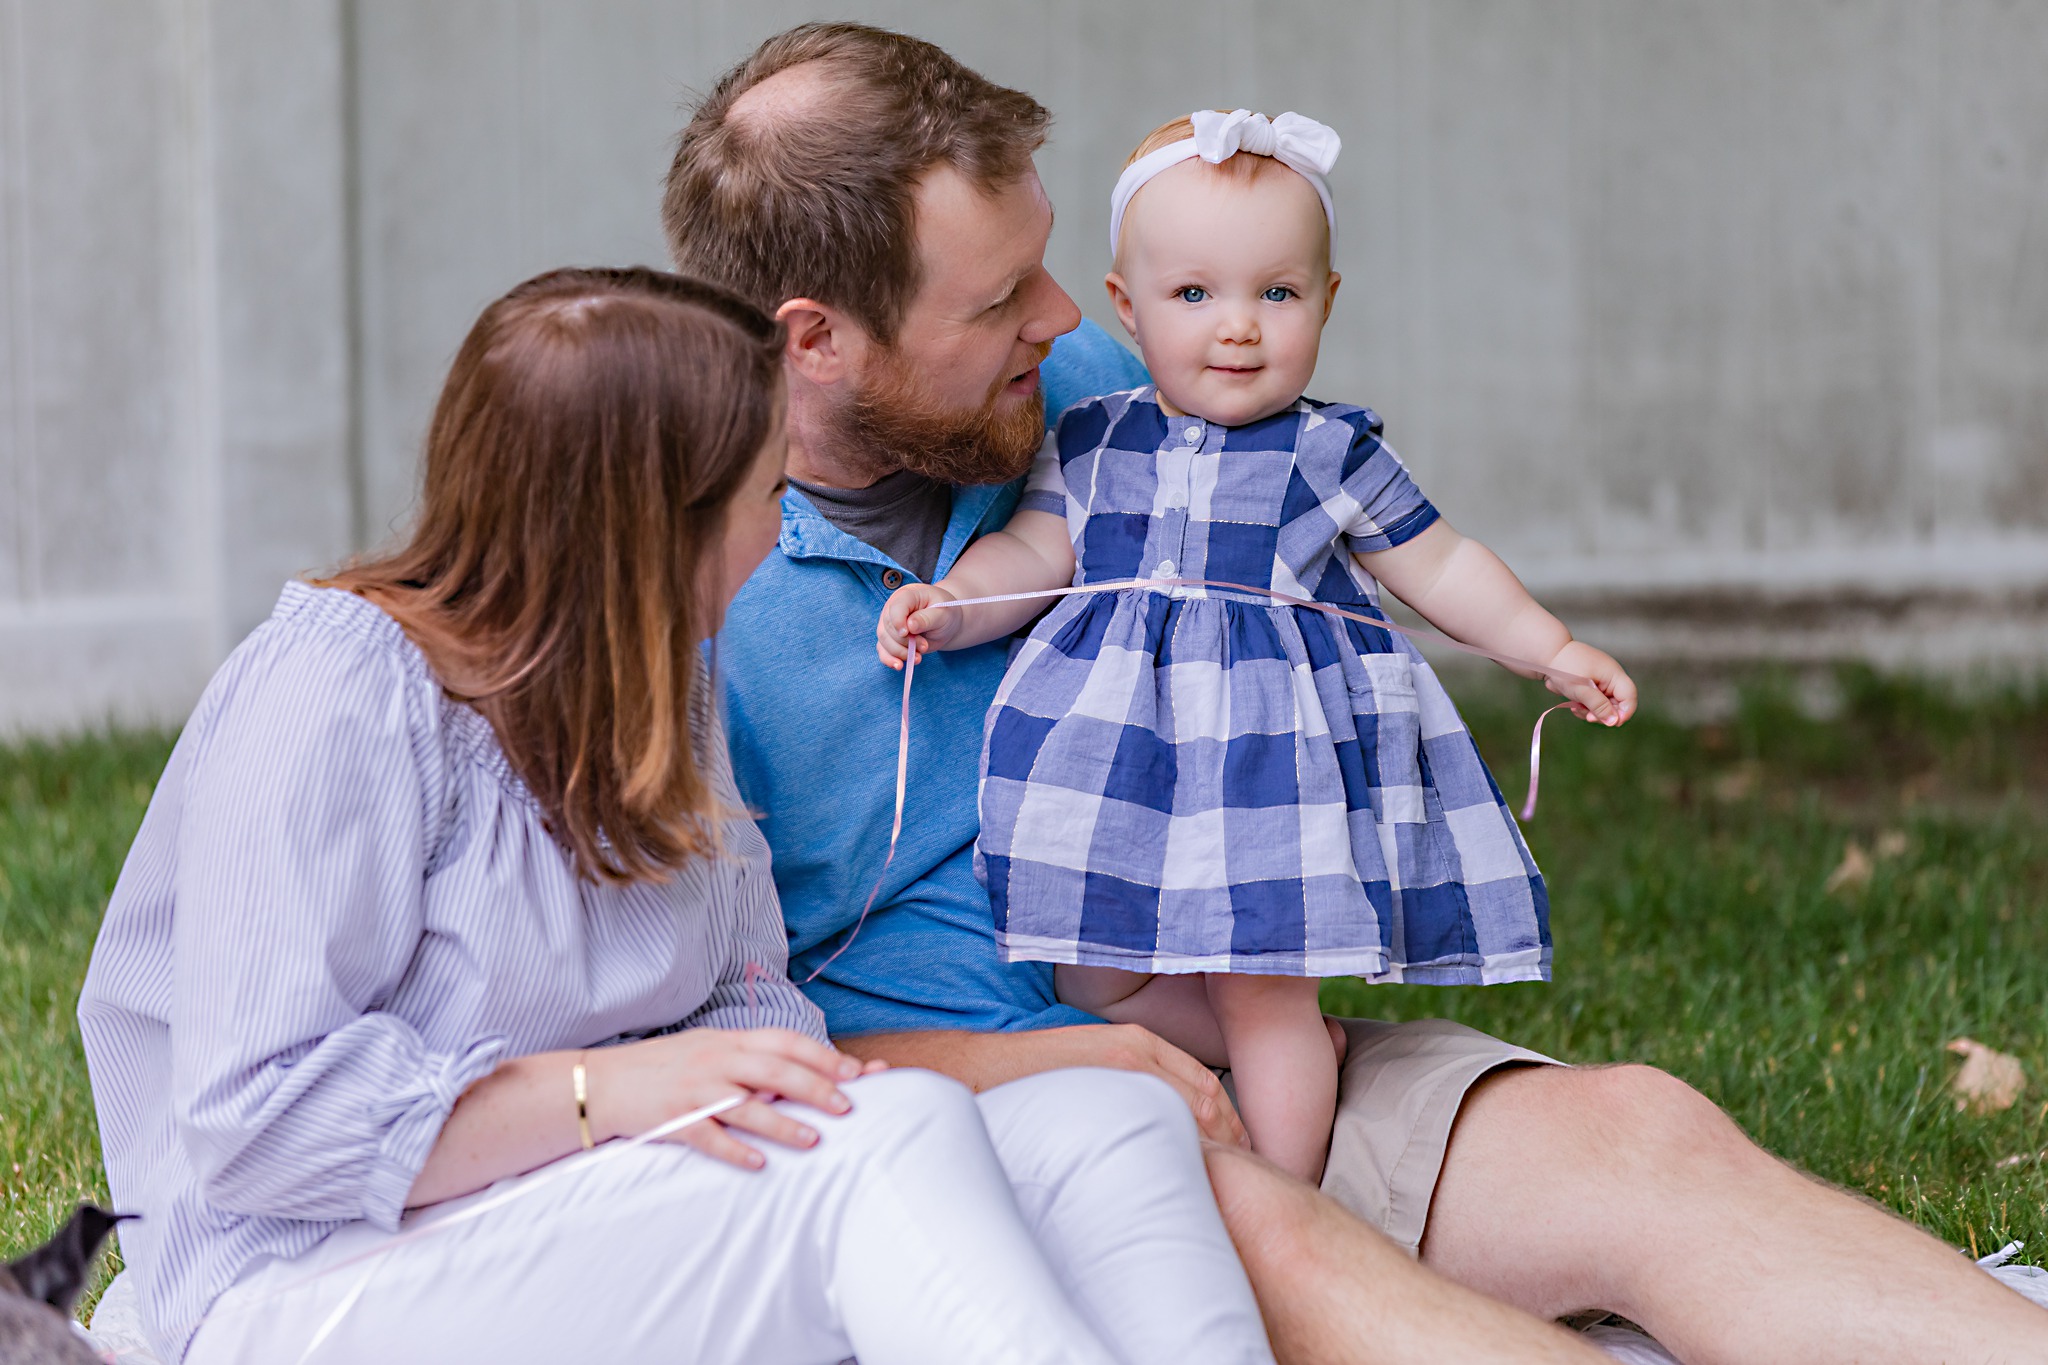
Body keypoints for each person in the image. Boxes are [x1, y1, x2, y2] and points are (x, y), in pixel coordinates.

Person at [670, 21, 2048, 1364]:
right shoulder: (678, 604)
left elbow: (1375, 548)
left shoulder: (1110, 392)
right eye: (997, 301)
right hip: (975, 1123)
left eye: (1049, 271)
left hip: (1246, 1011)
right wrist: (1021, 1075)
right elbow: (666, 1048)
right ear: (817, 340)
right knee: (1288, 1248)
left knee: (1642, 1134)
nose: (1063, 314)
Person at [75, 268, 1276, 1365]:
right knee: (887, 1144)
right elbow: (255, 1122)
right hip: (304, 1282)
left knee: (1100, 1123)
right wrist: (614, 1097)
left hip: (593, 1192)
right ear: (655, 522)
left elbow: (741, 989)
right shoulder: (336, 690)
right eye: (764, 492)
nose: (783, 522)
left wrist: (746, 1076)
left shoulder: (663, 674)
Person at [875, 107, 1636, 1182]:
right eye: (1193, 295)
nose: (1236, 328)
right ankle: (1275, 1059)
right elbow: (1034, 555)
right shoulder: (1090, 437)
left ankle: (1288, 1186)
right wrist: (950, 601)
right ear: (1125, 310)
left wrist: (1545, 647)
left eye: (1274, 294)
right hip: (1127, 761)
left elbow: (1439, 563)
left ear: (1324, 303)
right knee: (1092, 971)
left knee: (1260, 978)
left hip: (1269, 760)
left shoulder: (1328, 450)